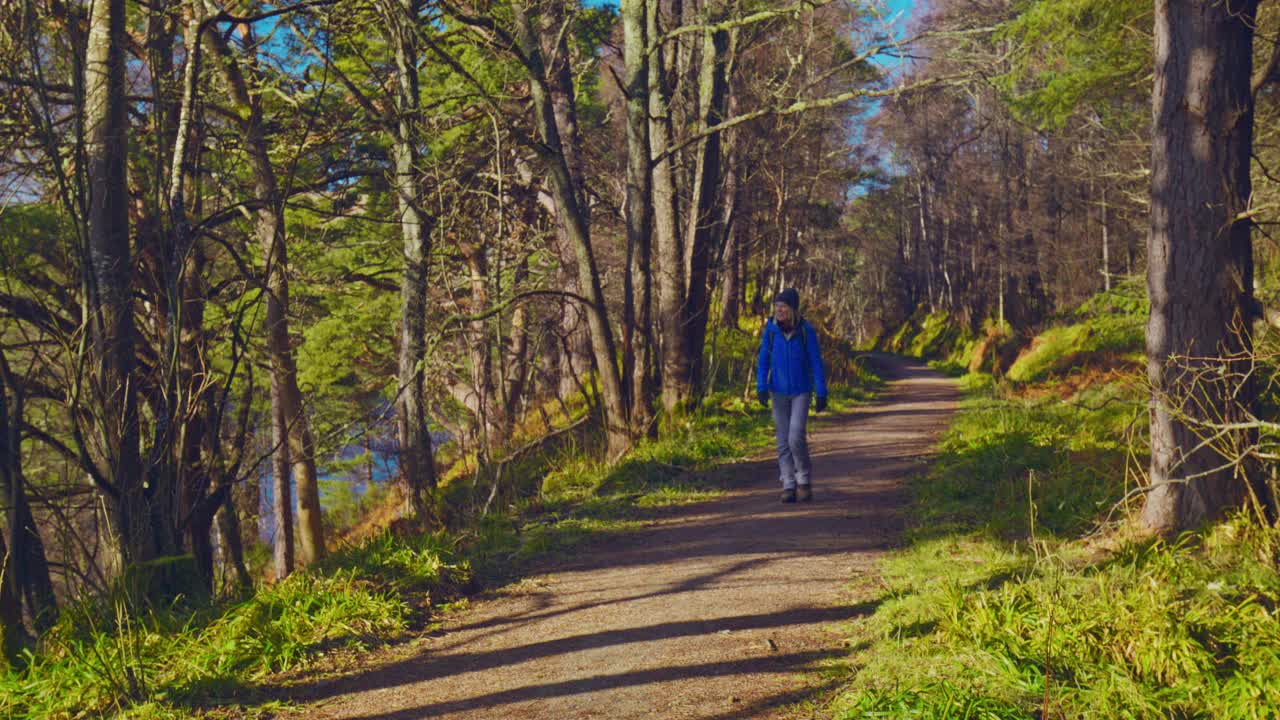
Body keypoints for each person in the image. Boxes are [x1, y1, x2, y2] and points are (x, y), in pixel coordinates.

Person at [756, 288, 828, 503]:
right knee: (782, 441)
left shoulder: (806, 331)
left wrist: (821, 391)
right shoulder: (770, 332)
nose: (779, 310)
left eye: (783, 306)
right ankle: (788, 484)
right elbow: (763, 361)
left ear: (793, 309)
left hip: (801, 392)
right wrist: (761, 386)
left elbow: (815, 362)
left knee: (795, 437)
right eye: (777, 306)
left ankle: (803, 479)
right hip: (777, 392)